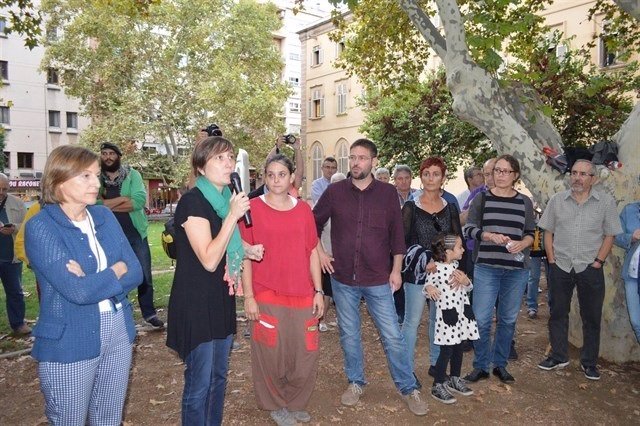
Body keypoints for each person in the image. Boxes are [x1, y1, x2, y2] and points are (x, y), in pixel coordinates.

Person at [25, 145, 143, 424]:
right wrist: (115, 270)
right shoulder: (41, 226)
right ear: (59, 181)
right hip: (69, 339)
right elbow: (78, 291)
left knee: (108, 419)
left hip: (118, 328)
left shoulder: (103, 216)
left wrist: (94, 279)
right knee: (69, 419)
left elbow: (136, 272)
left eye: (97, 175)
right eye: (86, 176)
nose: (97, 182)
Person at [313, 138, 427, 416]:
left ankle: (408, 387)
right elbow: (310, 224)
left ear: (373, 161)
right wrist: (320, 252)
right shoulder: (335, 191)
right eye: (352, 157)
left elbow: (397, 235)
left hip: (378, 278)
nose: (355, 162)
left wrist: (396, 269)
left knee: (392, 335)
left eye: (362, 158)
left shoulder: (388, 194)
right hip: (342, 279)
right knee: (349, 334)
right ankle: (355, 382)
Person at [166, 136, 256, 424]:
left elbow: (225, 244)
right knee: (199, 383)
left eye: (230, 157)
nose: (228, 162)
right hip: (196, 303)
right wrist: (232, 217)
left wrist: (247, 250)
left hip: (220, 298)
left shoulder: (221, 201)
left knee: (219, 378)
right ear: (201, 168)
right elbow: (208, 259)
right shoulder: (193, 202)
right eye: (219, 158)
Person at [240, 154, 324, 426]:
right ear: (264, 177)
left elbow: (312, 251)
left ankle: (296, 401)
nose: (276, 180)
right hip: (267, 292)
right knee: (270, 353)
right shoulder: (251, 209)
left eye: (282, 174)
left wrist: (319, 291)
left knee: (305, 352)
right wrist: (249, 297)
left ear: (291, 178)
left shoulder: (303, 210)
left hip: (302, 292)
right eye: (271, 174)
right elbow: (245, 255)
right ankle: (275, 403)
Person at [538, 160, 622, 380]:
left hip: (590, 267)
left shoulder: (605, 202)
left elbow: (610, 234)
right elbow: (547, 231)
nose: (577, 177)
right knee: (557, 314)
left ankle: (589, 363)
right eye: (574, 173)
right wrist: (552, 259)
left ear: (592, 178)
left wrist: (598, 262)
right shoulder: (557, 201)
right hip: (561, 266)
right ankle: (558, 356)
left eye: (583, 174)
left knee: (591, 317)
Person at [463, 154, 535, 384]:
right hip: (486, 267)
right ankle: (481, 365)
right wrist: (488, 235)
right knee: (482, 319)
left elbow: (531, 233)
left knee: (507, 319)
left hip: (516, 270)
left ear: (515, 175)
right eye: (497, 171)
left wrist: (524, 243)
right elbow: (469, 229)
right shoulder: (481, 199)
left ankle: (500, 364)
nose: (501, 175)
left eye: (506, 171)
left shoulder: (524, 202)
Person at [401, 157, 464, 379]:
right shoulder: (411, 207)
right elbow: (403, 241)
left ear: (443, 178)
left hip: (443, 275)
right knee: (412, 322)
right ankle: (406, 370)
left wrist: (454, 268)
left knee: (439, 321)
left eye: (436, 174)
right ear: (421, 176)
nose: (430, 178)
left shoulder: (450, 208)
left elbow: (457, 240)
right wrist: (424, 259)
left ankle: (436, 365)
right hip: (417, 275)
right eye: (426, 173)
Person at [99, 142, 163, 328]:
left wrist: (107, 203)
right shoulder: (96, 178)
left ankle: (149, 314)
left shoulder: (133, 175)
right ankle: (121, 315)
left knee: (144, 275)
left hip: (135, 234)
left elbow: (138, 202)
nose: (108, 157)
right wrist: (122, 199)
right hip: (108, 236)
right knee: (116, 276)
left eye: (111, 153)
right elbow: (94, 205)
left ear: (119, 156)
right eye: (104, 153)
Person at [423, 234, 478, 404]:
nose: (463, 249)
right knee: (446, 351)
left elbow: (469, 287)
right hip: (448, 318)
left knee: (458, 348)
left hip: (461, 317)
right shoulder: (436, 269)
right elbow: (426, 286)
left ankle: (455, 378)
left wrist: (466, 281)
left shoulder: (456, 267)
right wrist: (430, 288)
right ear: (448, 251)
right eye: (460, 247)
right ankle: (438, 384)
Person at [318, 172, 347, 332]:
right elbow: (317, 230)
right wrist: (322, 253)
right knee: (326, 291)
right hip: (326, 256)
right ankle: (321, 319)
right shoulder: (325, 204)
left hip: (343, 258)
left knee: (342, 292)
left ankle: (341, 319)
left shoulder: (350, 203)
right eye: (334, 183)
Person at [0, 173, 28, 335]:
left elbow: (26, 225)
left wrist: (14, 228)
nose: (2, 192)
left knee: (15, 292)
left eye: (5, 189)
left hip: (11, 257)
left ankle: (18, 324)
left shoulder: (17, 203)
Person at [615, 201, 640, 343]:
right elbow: (616, 236)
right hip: (633, 275)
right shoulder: (629, 210)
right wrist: (632, 237)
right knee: (636, 321)